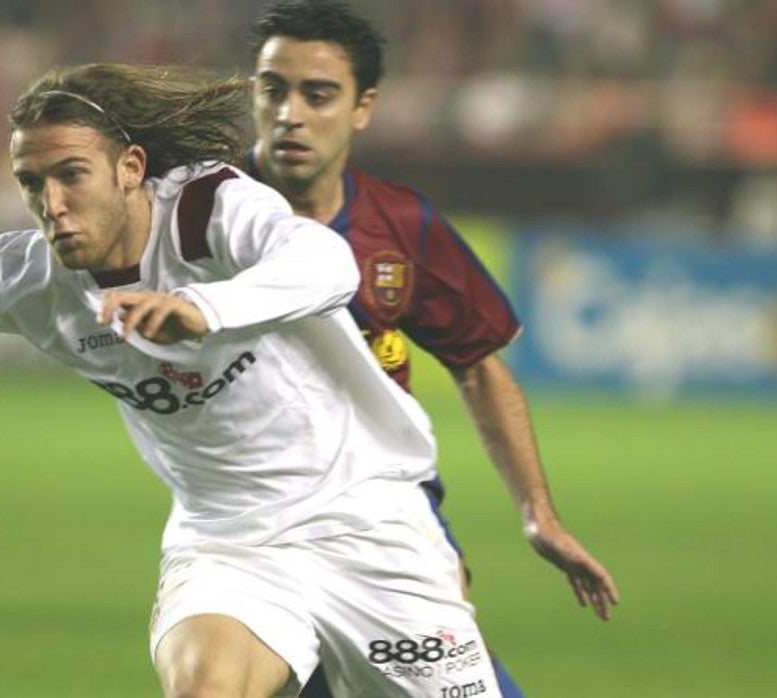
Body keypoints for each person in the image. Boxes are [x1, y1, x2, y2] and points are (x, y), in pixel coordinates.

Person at [0, 62, 507, 697]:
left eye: (71, 174)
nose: (53, 204)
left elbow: (329, 264)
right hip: (229, 540)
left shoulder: (208, 208)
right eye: (31, 182)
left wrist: (205, 308)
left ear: (129, 168)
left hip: (363, 514)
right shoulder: (25, 280)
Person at [245, 1, 621, 694]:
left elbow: (477, 366)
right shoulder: (194, 214)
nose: (290, 113)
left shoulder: (402, 226)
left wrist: (538, 513)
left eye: (318, 94)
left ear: (363, 108)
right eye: (273, 90)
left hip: (386, 512)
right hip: (252, 523)